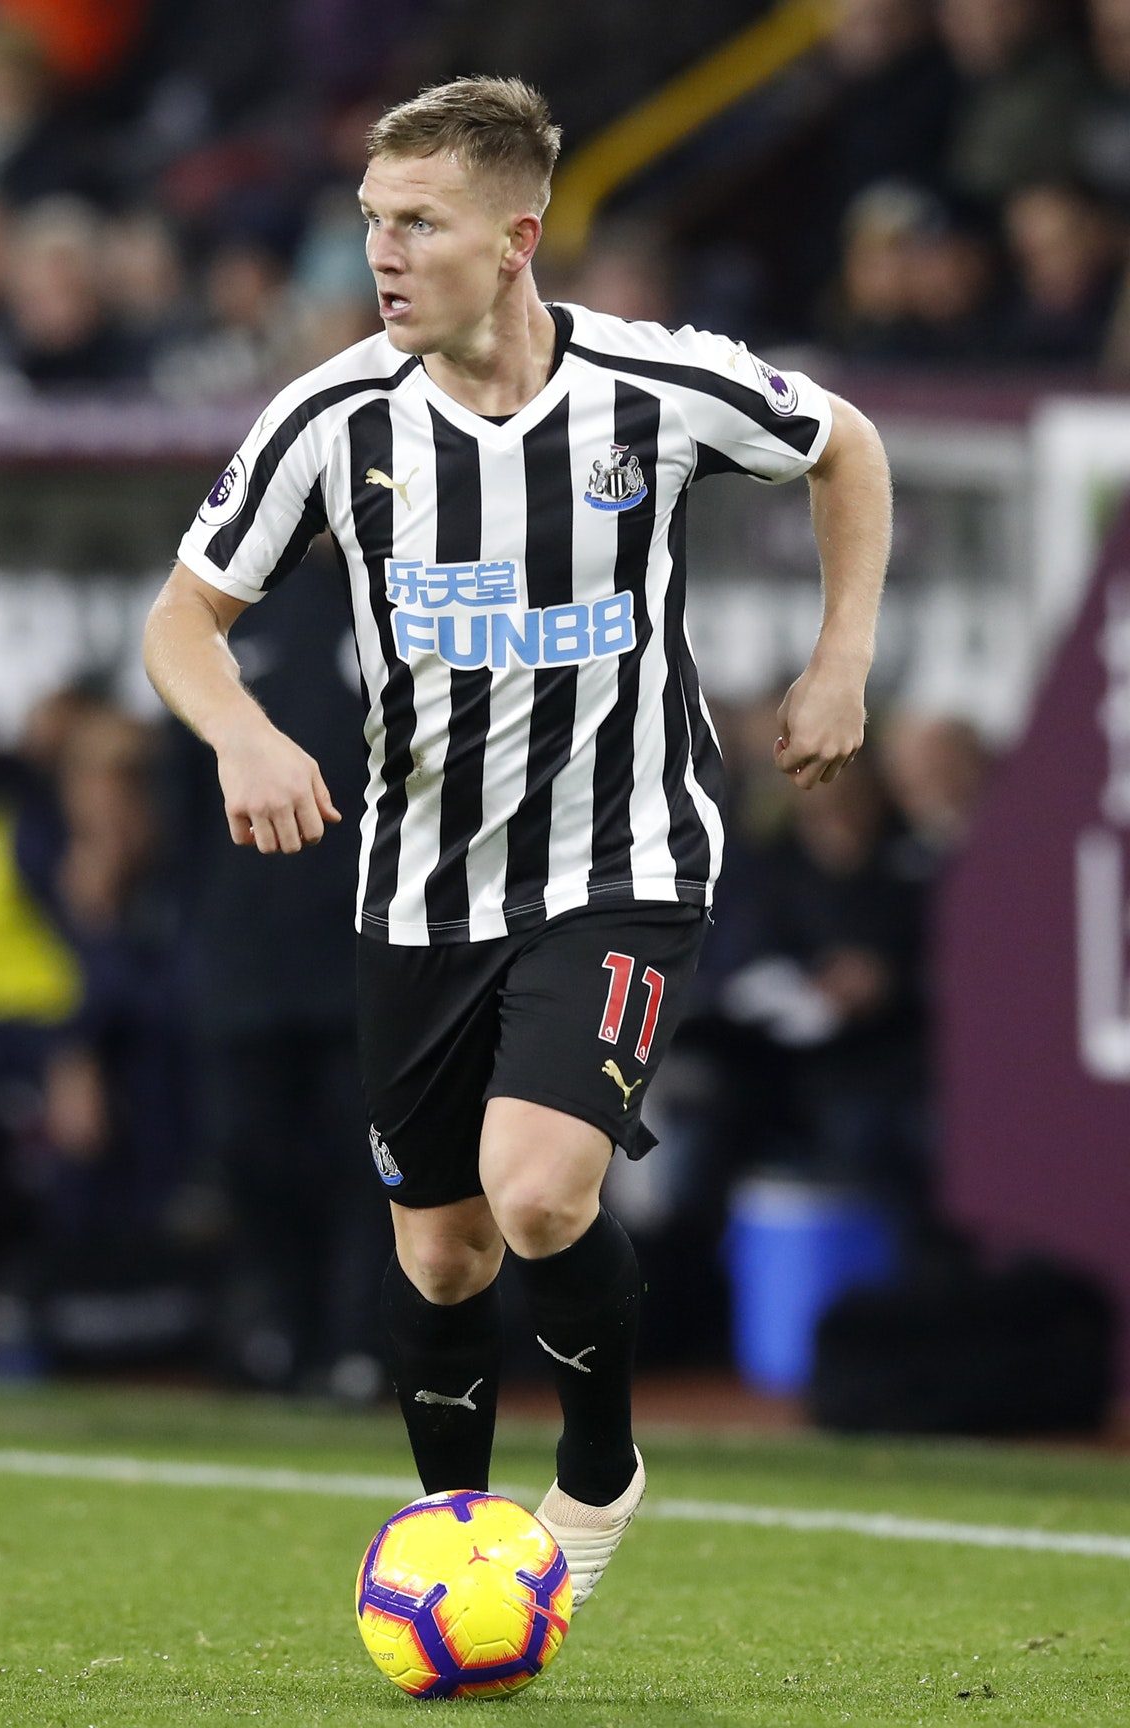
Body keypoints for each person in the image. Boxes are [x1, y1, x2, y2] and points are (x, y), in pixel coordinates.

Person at [143, 75, 890, 1613]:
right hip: (420, 888)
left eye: (420, 223)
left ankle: (600, 1473)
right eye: (373, 221)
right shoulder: (334, 418)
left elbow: (848, 445)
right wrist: (242, 732)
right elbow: (180, 620)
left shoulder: (653, 385)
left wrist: (842, 660)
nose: (384, 253)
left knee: (538, 1191)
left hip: (623, 862)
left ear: (518, 238)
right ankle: (461, 1543)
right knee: (444, 1256)